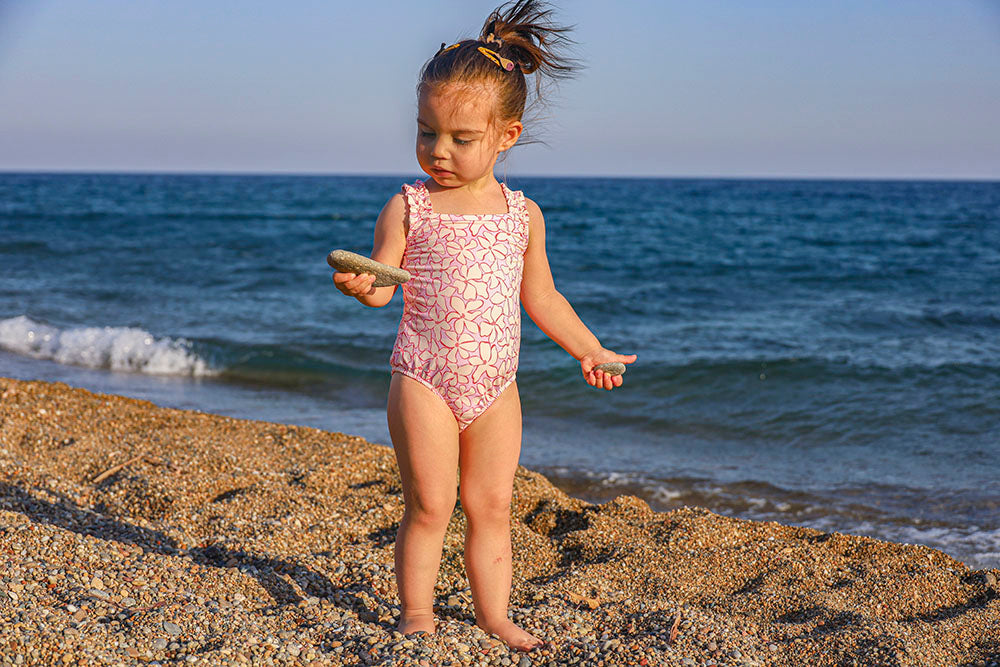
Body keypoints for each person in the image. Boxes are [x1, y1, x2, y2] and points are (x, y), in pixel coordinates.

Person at [332, 0, 636, 652]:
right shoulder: (408, 207)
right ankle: (416, 612)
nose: (438, 151)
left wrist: (590, 348)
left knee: (493, 505)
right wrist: (362, 285)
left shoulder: (523, 216)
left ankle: (494, 614)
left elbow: (542, 296)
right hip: (424, 377)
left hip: (497, 386)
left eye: (460, 138)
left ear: (506, 136)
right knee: (431, 504)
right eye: (426, 132)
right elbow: (384, 285)